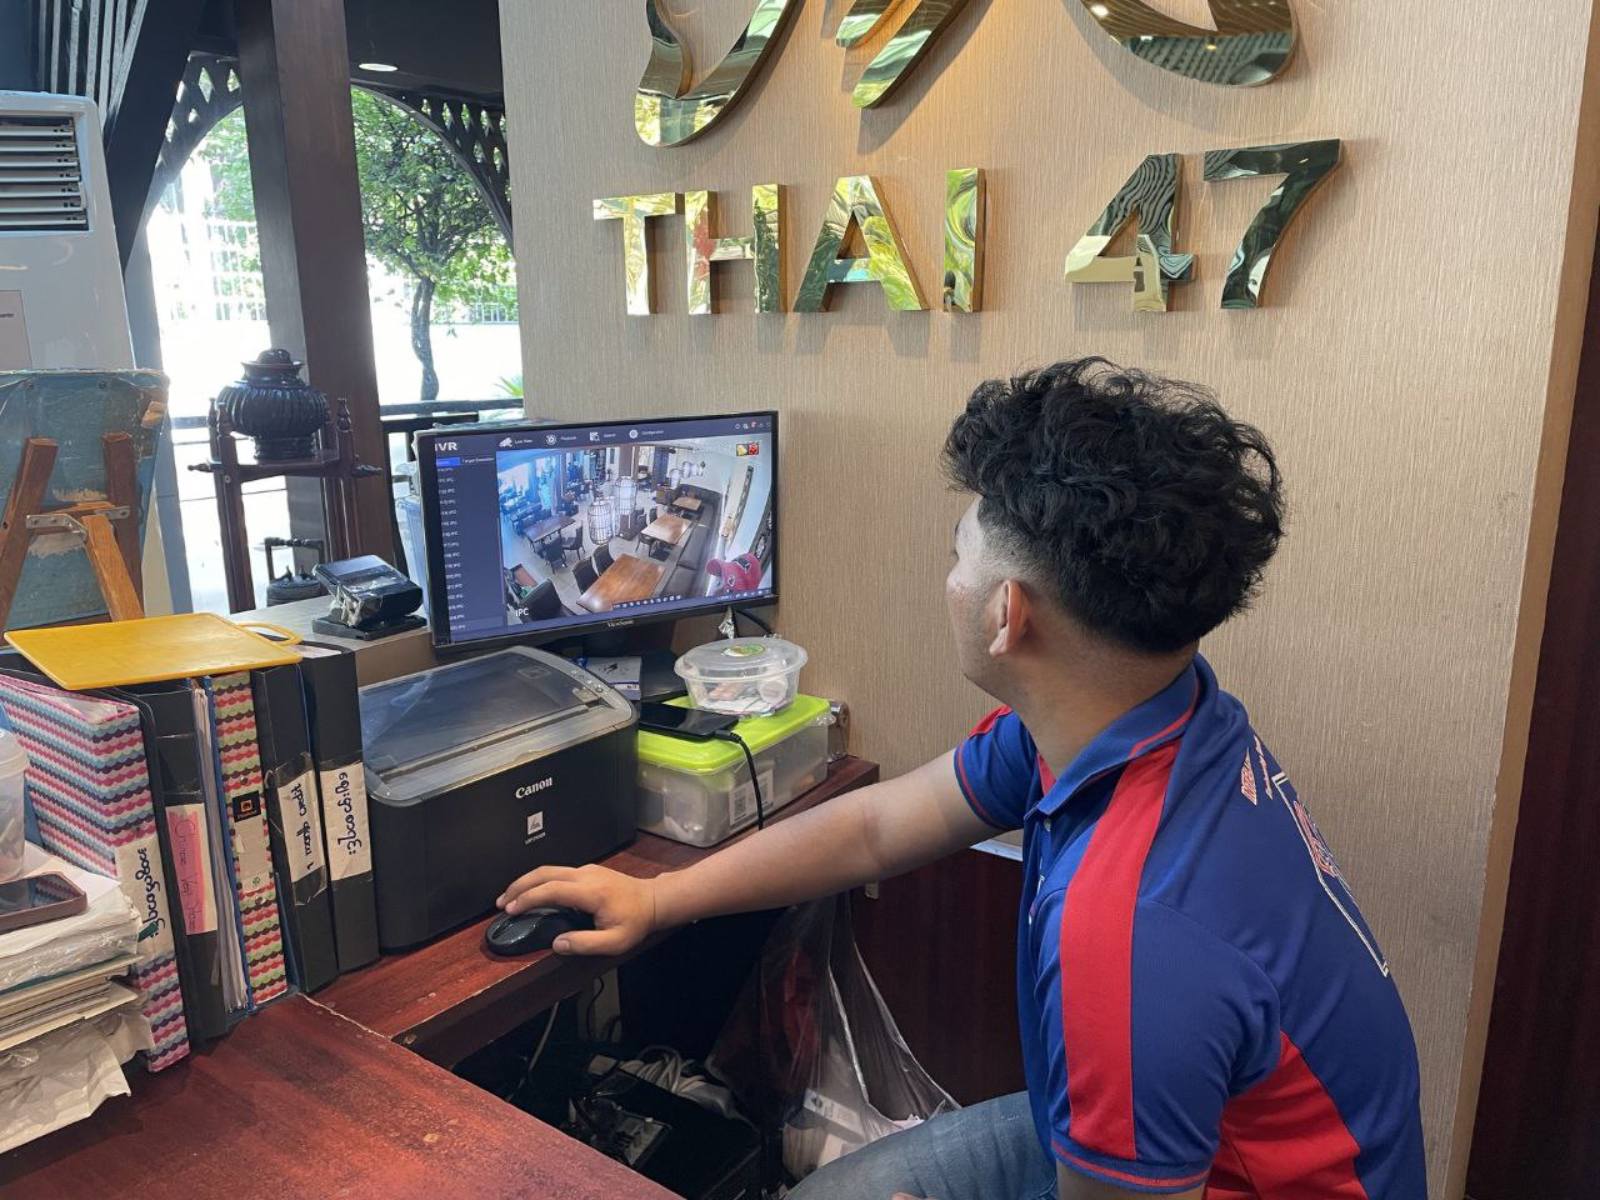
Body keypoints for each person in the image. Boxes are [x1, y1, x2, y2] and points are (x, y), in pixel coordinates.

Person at [497, 359, 1427, 1199]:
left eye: (958, 553)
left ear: (1006, 615)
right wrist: (660, 900)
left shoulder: (1131, 935)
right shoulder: (1152, 712)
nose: (949, 577)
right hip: (1173, 1135)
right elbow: (878, 826)